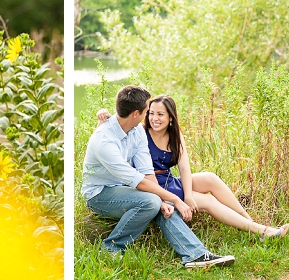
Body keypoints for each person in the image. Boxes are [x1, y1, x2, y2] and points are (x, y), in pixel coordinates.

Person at [96, 94, 289, 240]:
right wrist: (103, 116)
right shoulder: (140, 131)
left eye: (160, 114)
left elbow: (184, 168)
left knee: (210, 178)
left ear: (171, 117)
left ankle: (250, 222)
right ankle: (261, 231)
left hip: (169, 180)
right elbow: (122, 121)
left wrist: (188, 195)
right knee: (207, 201)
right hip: (152, 186)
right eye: (151, 113)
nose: (154, 118)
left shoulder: (175, 135)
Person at [82, 85, 236, 268]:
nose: (149, 114)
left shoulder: (137, 131)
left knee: (160, 204)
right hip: (100, 194)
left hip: (125, 189)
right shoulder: (104, 141)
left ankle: (196, 255)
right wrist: (173, 199)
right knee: (152, 202)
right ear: (136, 113)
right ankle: (112, 247)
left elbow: (146, 171)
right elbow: (137, 180)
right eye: (147, 110)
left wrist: (165, 202)